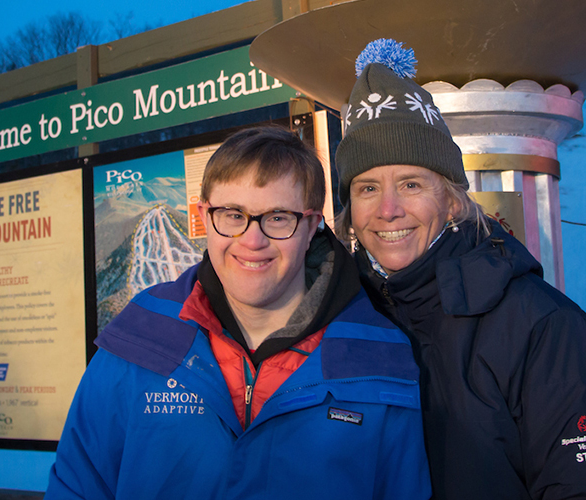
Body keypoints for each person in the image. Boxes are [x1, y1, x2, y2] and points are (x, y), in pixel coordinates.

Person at [46, 126, 431, 499]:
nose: (252, 240)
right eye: (232, 215)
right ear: (204, 216)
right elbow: (79, 485)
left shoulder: (380, 360)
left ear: (312, 225)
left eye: (278, 218)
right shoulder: (140, 336)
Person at [334, 39, 586, 499]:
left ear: (452, 199)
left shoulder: (541, 328)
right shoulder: (340, 316)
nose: (388, 209)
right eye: (367, 187)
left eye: (411, 183)